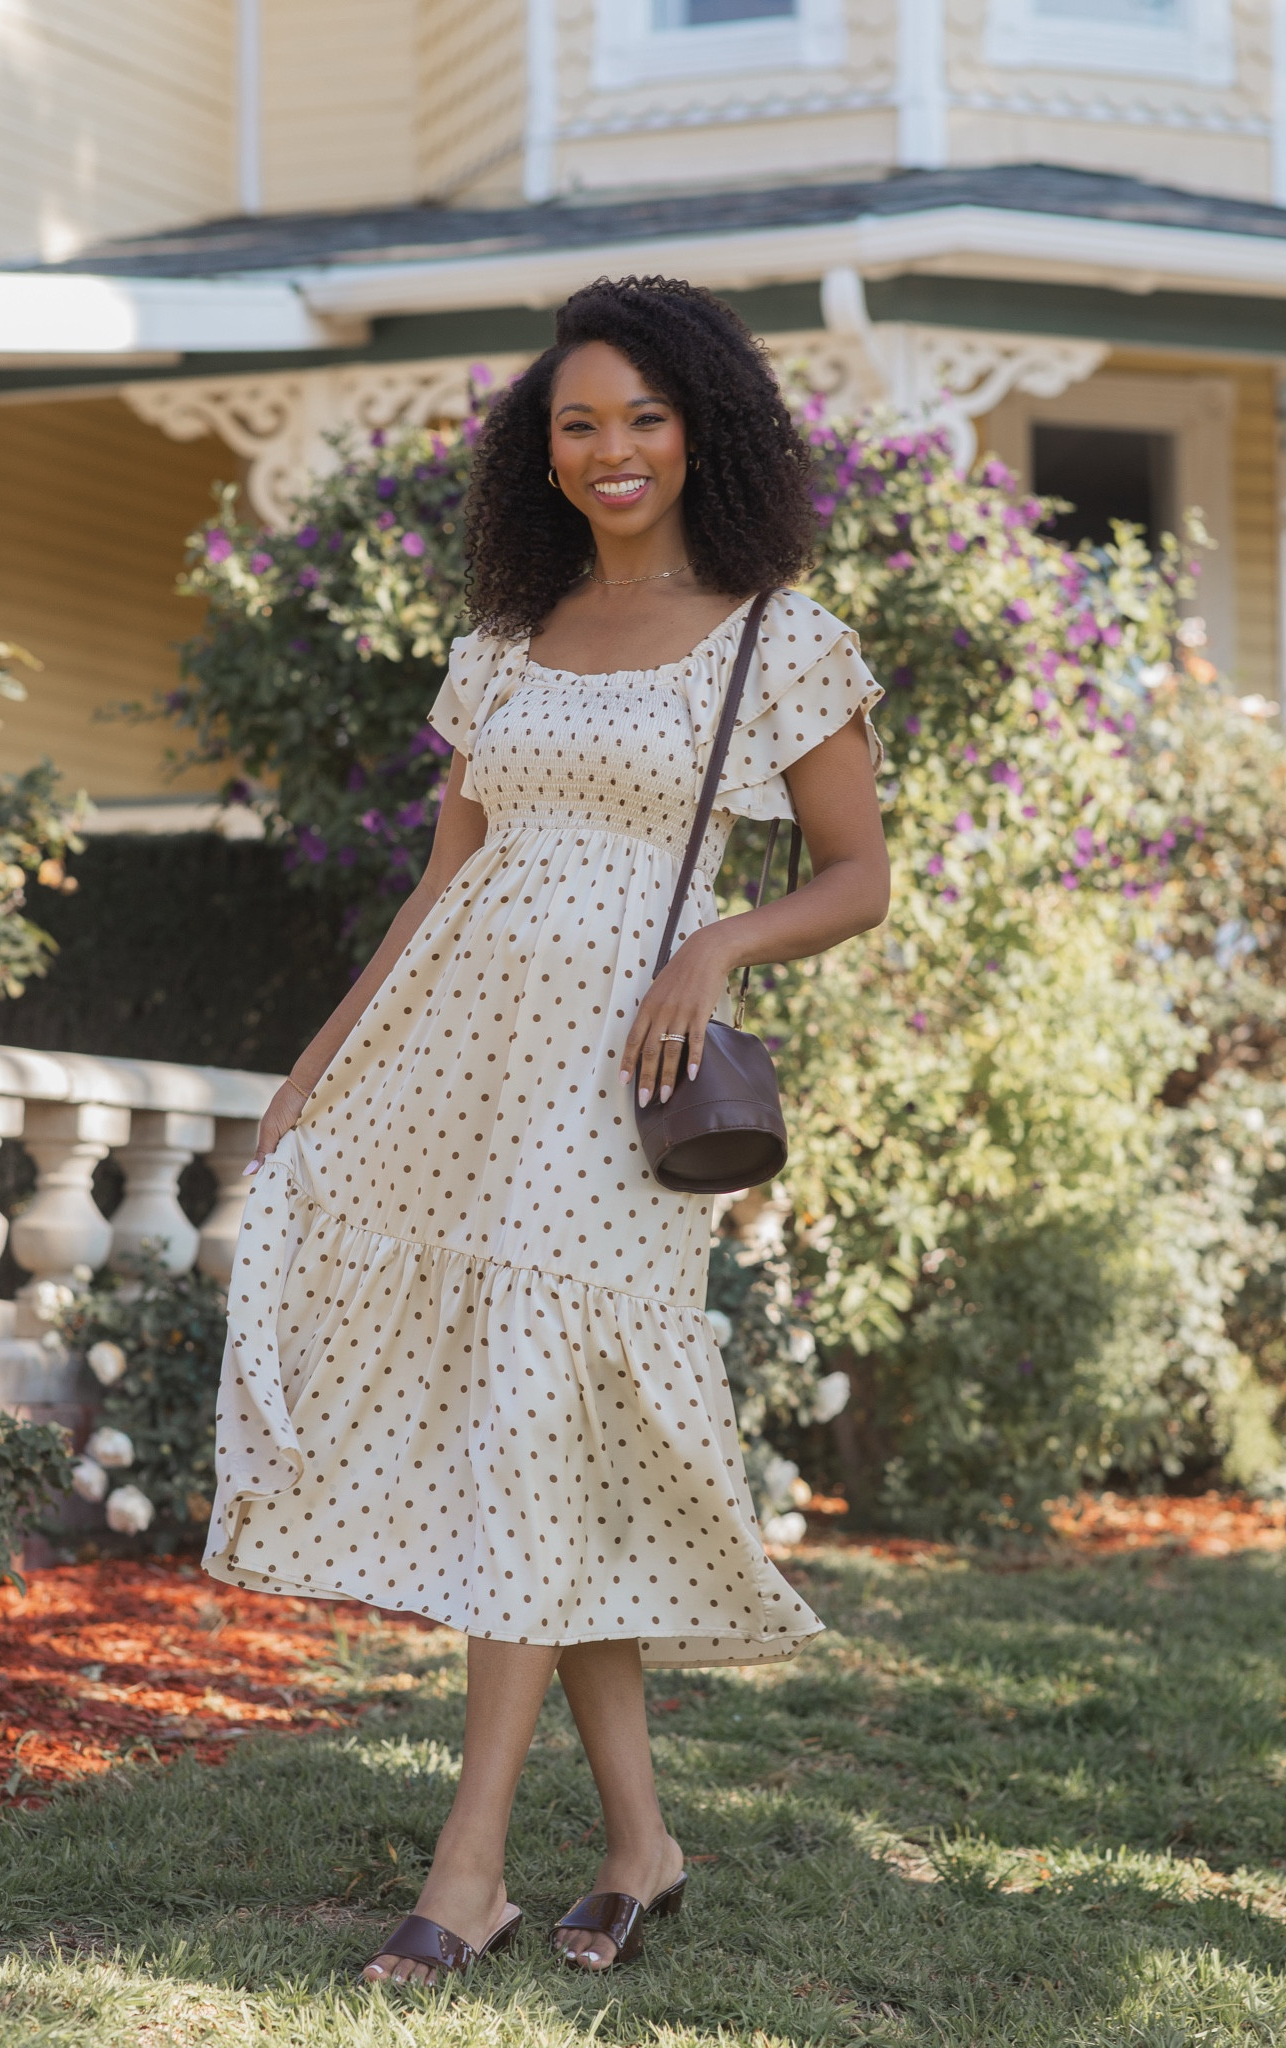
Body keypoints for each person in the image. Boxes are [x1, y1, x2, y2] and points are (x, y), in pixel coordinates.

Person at [204, 275, 890, 1983]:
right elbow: (443, 880)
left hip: (622, 1088)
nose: (611, 450)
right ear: (545, 448)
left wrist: (717, 947)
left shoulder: (776, 638)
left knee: (530, 1416)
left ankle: (467, 1872)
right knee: (542, 1441)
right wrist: (314, 1071)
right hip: (463, 1070)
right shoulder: (506, 644)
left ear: (703, 430)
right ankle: (642, 1846)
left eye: (644, 417)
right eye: (578, 422)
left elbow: (858, 875)